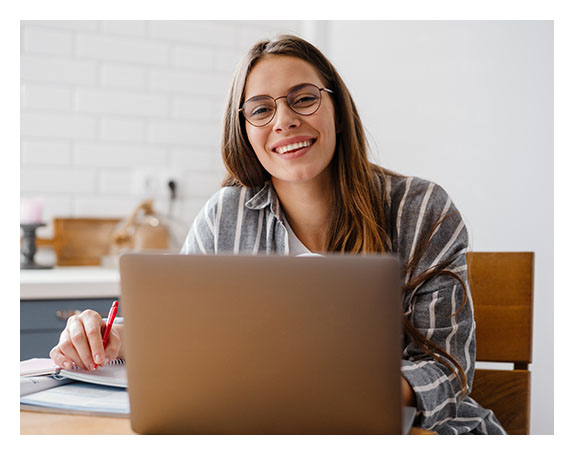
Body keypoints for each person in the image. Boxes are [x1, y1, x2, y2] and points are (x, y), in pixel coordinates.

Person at [50, 34, 505, 435]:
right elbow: (190, 338)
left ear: (338, 111)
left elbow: (447, 367)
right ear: (245, 131)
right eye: (261, 109)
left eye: (303, 98)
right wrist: (116, 337)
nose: (283, 120)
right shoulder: (222, 217)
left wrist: (358, 398)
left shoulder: (421, 209)